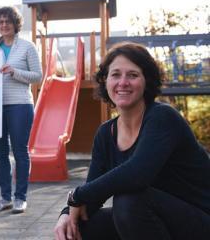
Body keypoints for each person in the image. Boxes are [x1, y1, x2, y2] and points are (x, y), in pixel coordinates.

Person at [54, 42, 210, 240]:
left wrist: (77, 195)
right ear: (105, 81)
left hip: (200, 221)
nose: (123, 82)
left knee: (129, 201)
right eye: (116, 74)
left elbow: (138, 173)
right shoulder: (106, 133)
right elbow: (91, 197)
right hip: (157, 221)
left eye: (133, 75)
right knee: (80, 226)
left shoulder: (162, 117)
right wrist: (66, 214)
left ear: (147, 81)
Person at [0, 6, 42, 214]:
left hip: (20, 104)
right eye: (0, 22)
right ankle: (5, 198)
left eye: (7, 21)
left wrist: (14, 72)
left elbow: (38, 76)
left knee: (20, 151)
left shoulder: (27, 47)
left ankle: (20, 198)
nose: (4, 25)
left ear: (15, 23)